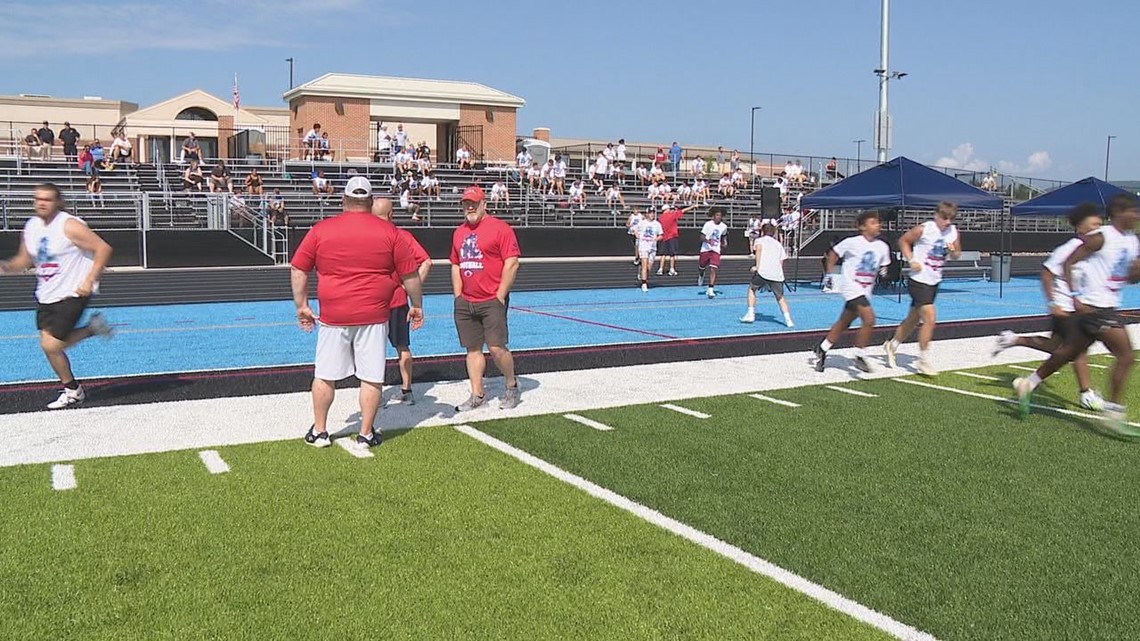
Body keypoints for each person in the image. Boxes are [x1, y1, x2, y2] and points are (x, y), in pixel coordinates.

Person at [290, 177, 425, 449]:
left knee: (325, 374)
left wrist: (301, 305)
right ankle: (365, 433)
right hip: (375, 315)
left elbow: (298, 268)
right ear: (370, 201)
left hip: (333, 315)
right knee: (371, 376)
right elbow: (411, 274)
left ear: (344, 200)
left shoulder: (321, 229)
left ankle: (320, 430)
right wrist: (417, 304)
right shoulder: (391, 233)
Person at [1013, 195, 1140, 431]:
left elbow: (1130, 277)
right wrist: (1075, 297)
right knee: (1126, 356)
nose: (1137, 215)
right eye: (1133, 211)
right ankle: (1113, 411)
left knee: (1068, 352)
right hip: (1095, 308)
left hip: (1105, 306)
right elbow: (1067, 263)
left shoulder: (1132, 241)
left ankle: (1028, 384)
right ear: (1119, 213)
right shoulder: (1101, 237)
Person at [0, 183, 114, 408]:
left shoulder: (69, 225)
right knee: (48, 345)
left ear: (58, 202)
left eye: (47, 199)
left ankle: (91, 330)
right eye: (38, 199)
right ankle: (73, 389)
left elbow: (103, 248)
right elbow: (24, 260)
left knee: (51, 345)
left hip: (73, 292)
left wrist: (89, 280)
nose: (41, 203)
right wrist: (5, 267)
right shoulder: (31, 226)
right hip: (46, 294)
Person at [993, 204, 1105, 411]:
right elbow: (1046, 273)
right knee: (1076, 349)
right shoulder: (1069, 248)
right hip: (1064, 307)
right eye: (1094, 224)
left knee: (1057, 347)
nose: (1099, 228)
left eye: (1100, 224)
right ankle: (1085, 393)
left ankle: (1014, 339)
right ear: (1080, 227)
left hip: (1078, 308)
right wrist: (1053, 303)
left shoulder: (1093, 250)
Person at [451, 185, 522, 412]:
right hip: (467, 300)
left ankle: (511, 386)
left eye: (474, 203)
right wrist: (458, 294)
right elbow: (455, 263)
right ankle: (477, 394)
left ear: (484, 204)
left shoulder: (500, 229)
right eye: (466, 203)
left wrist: (500, 295)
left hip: (491, 299)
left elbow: (512, 262)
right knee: (472, 349)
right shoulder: (459, 232)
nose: (469, 207)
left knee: (496, 347)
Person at [882, 201, 961, 376]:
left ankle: (892, 345)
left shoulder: (953, 232)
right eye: (944, 218)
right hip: (919, 279)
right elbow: (903, 240)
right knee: (930, 318)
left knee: (913, 319)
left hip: (934, 280)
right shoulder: (925, 228)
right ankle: (923, 360)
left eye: (951, 219)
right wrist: (911, 260)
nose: (947, 222)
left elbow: (956, 255)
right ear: (937, 216)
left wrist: (953, 250)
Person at [813, 211, 891, 373]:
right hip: (851, 286)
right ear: (862, 226)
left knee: (844, 323)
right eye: (872, 222)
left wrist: (884, 271)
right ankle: (859, 354)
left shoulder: (882, 247)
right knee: (869, 319)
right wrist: (830, 273)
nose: (877, 225)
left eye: (878, 223)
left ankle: (822, 348)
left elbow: (884, 265)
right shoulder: (852, 242)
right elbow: (833, 253)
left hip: (865, 289)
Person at [371, 198, 431, 405]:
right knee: (402, 346)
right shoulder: (402, 236)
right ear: (391, 215)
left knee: (372, 350)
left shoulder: (368, 237)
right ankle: (407, 389)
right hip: (397, 301)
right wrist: (411, 286)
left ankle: (374, 394)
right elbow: (426, 261)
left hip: (373, 302)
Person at [741, 224, 794, 327]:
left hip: (763, 272)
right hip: (777, 274)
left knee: (752, 289)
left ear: (762, 231)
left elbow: (759, 250)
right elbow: (782, 260)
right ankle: (788, 320)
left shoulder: (759, 241)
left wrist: (757, 266)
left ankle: (750, 314)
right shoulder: (778, 244)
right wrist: (779, 274)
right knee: (780, 297)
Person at [657, 203, 697, 276]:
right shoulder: (672, 215)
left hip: (664, 237)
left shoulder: (660, 218)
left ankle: (660, 269)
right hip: (672, 236)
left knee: (663, 254)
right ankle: (671, 269)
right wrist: (692, 206)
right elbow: (683, 211)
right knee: (672, 254)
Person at [697, 206, 729, 298]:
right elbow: (701, 236)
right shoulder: (708, 224)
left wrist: (725, 243)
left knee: (713, 268)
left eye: (720, 215)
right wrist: (707, 241)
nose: (719, 217)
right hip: (706, 249)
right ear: (713, 216)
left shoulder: (724, 226)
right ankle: (701, 274)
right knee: (702, 266)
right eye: (717, 215)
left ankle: (710, 289)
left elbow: (724, 236)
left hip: (715, 250)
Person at [636, 208, 663, 292]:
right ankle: (644, 283)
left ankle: (643, 275)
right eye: (650, 213)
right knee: (644, 264)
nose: (652, 215)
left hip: (652, 247)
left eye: (653, 213)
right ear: (647, 214)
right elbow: (635, 231)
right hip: (643, 246)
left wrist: (656, 239)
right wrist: (638, 236)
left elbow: (661, 235)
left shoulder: (657, 224)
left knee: (649, 267)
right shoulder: (642, 223)